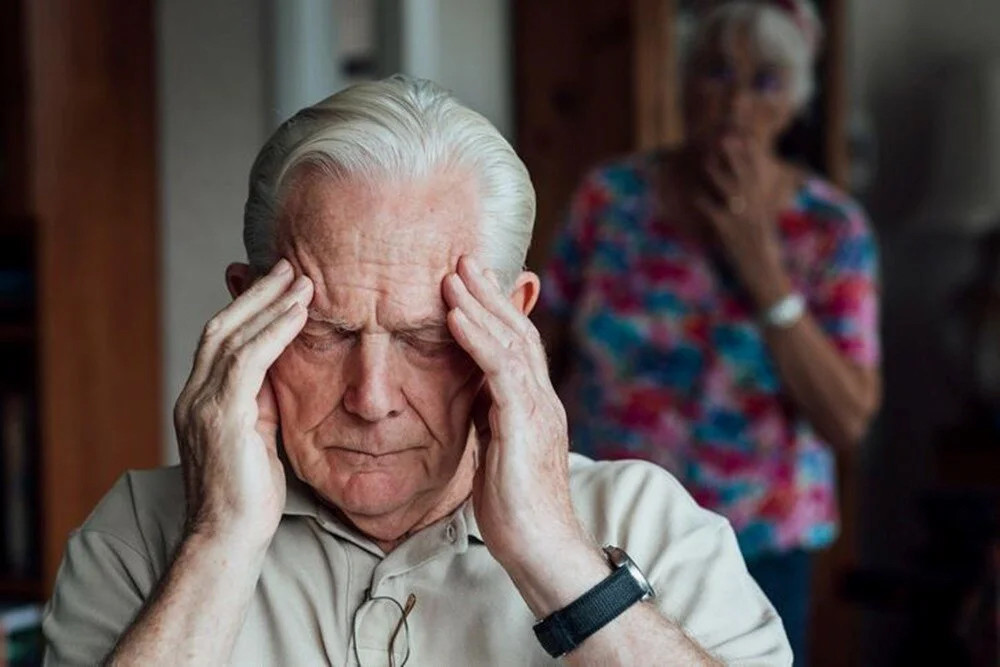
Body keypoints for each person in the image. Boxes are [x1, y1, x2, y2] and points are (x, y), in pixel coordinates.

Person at [41, 76, 790, 665]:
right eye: (326, 332)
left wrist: (555, 555)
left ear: (513, 322)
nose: (372, 399)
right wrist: (218, 543)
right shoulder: (141, 534)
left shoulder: (650, 523)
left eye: (427, 339)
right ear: (246, 314)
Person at [536, 1, 880, 664]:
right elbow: (541, 350)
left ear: (796, 105)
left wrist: (763, 268)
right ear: (684, 84)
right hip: (605, 527)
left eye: (767, 81)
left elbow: (849, 420)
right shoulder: (610, 199)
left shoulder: (830, 229)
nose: (735, 101)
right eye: (717, 72)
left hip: (761, 544)